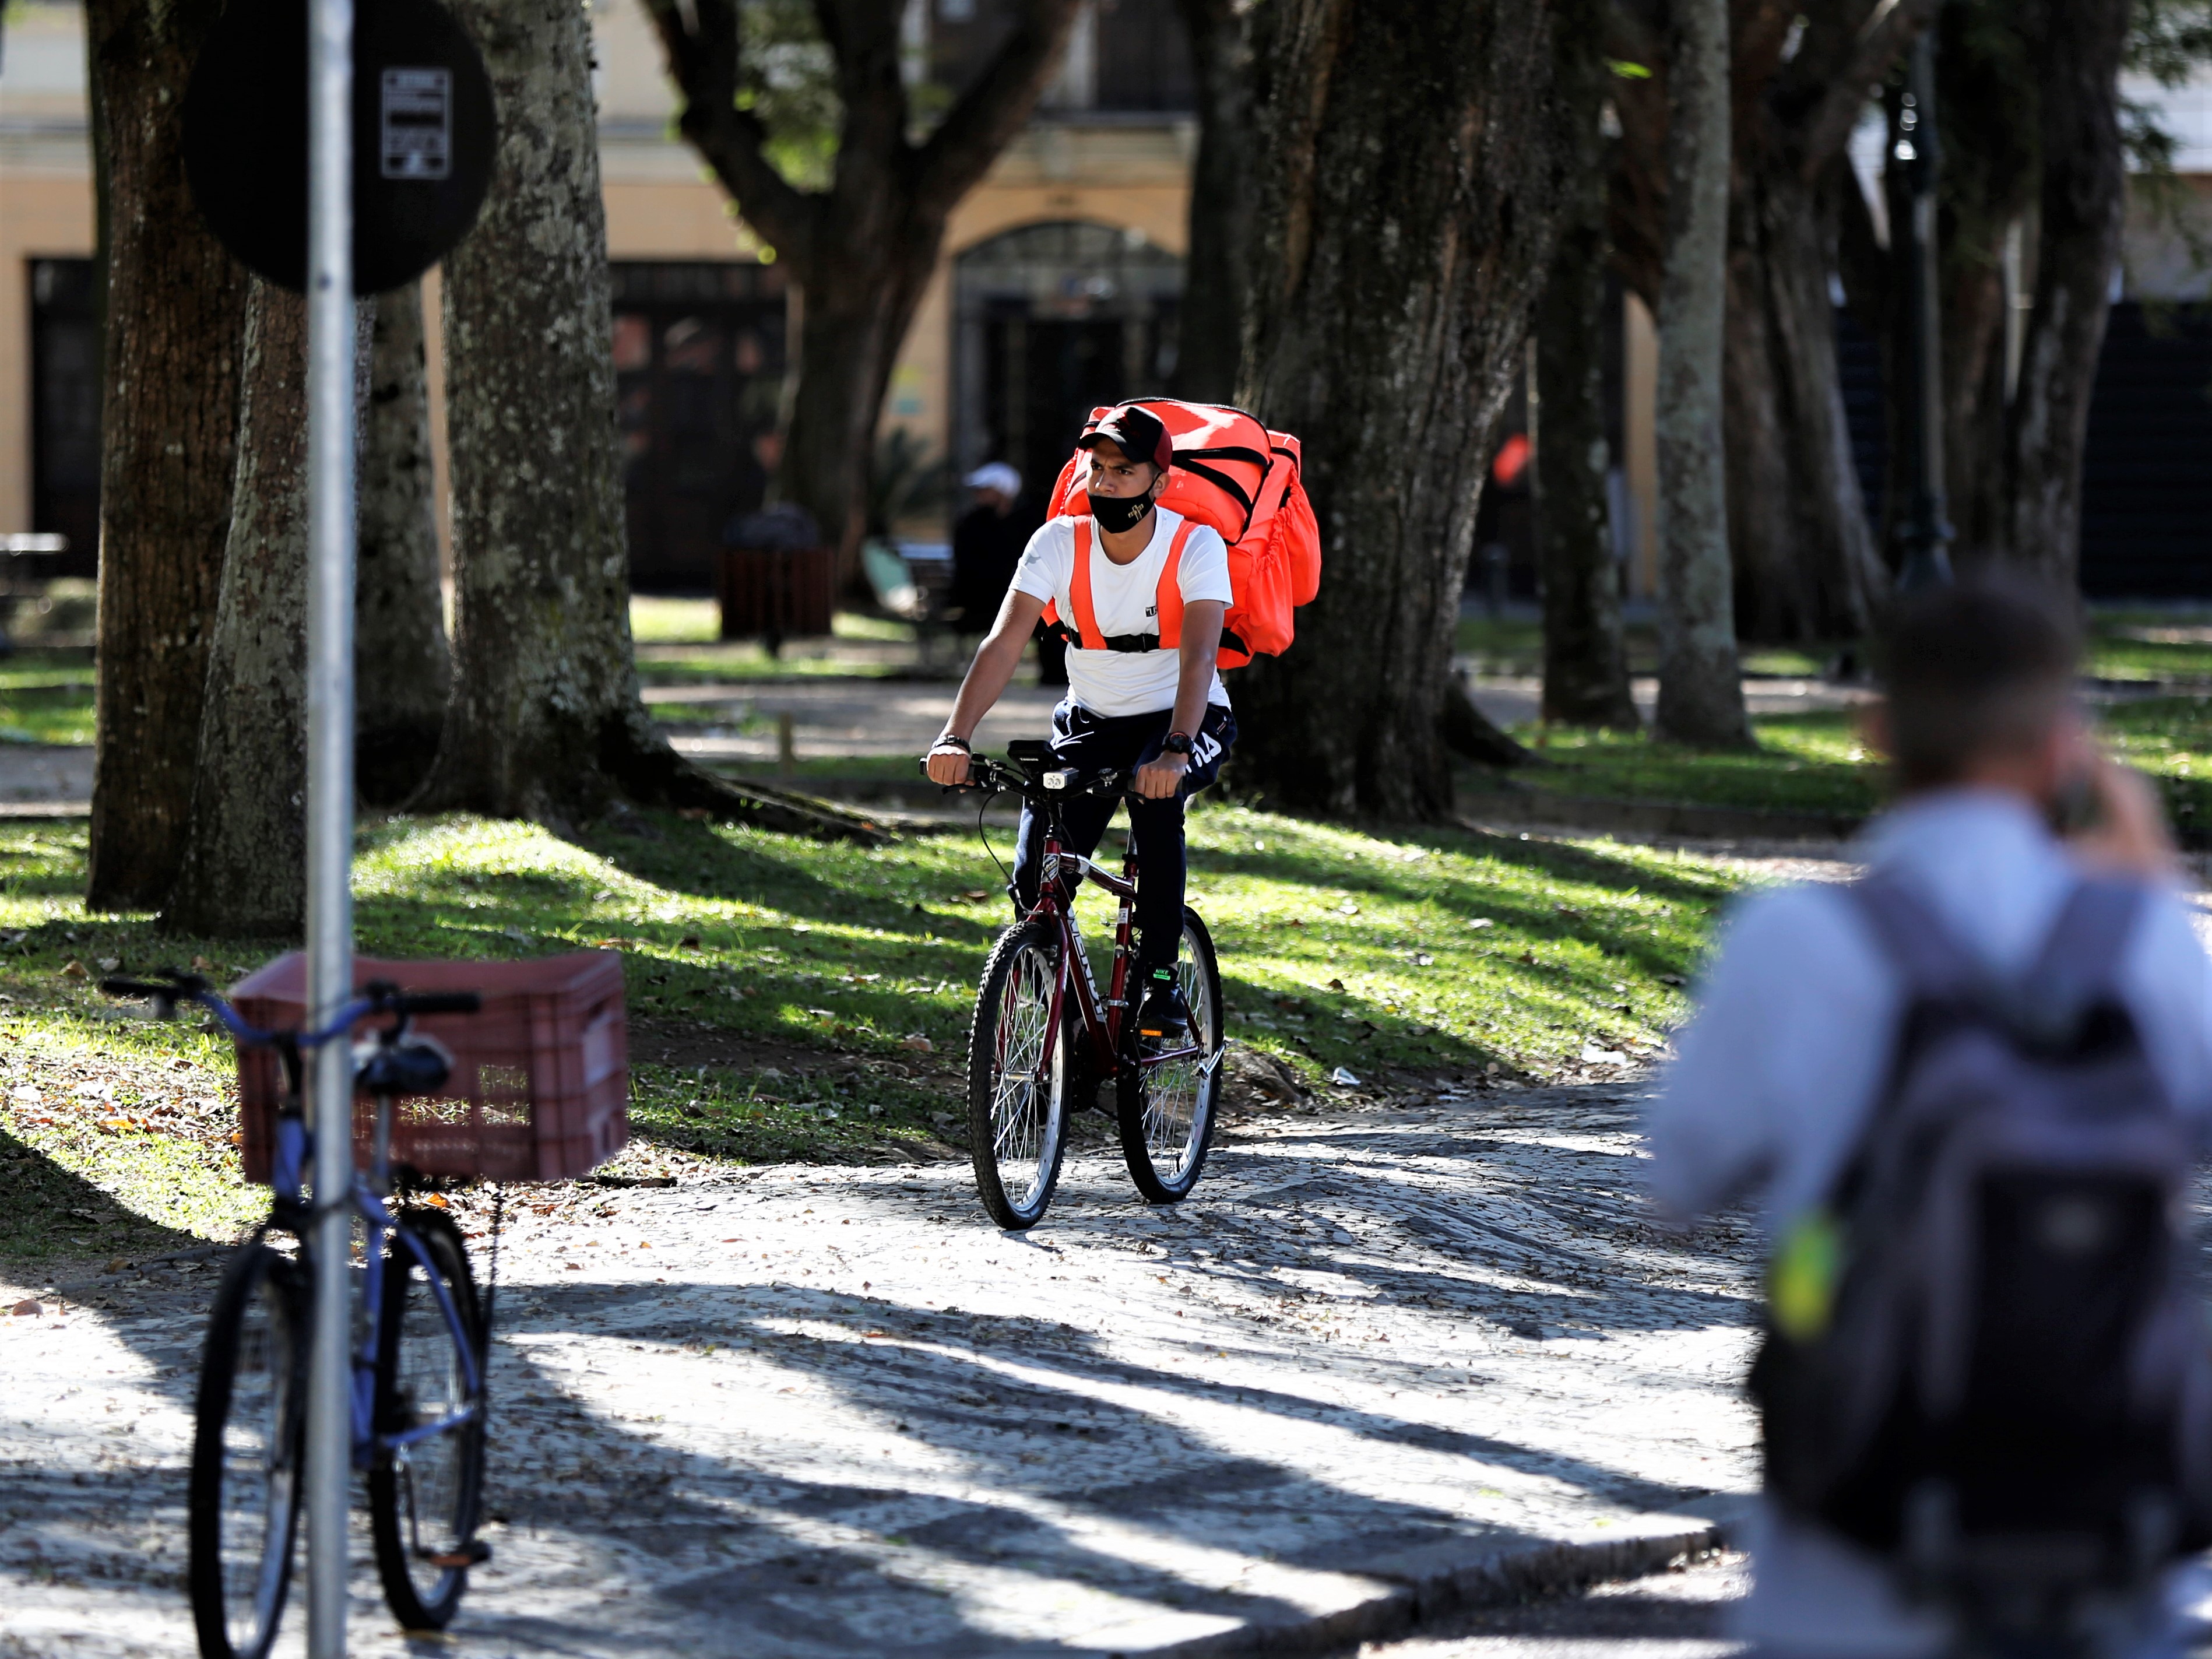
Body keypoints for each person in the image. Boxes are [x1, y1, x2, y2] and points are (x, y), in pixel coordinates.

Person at [1647, 577, 2212, 1656]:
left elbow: (1679, 1178)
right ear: (2064, 746)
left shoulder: (1793, 940)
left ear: (1877, 732)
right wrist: (2151, 880)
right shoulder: (2143, 942)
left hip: (1854, 1557)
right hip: (2110, 1545)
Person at [923, 405, 1236, 1043]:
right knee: (1039, 871)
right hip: (1092, 720)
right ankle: (1053, 1034)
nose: (1108, 481)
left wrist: (1175, 750)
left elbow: (1200, 655)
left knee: (1156, 805)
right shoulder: (1056, 542)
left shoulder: (1193, 543)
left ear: (1159, 481)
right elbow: (1005, 642)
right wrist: (954, 734)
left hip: (1184, 715)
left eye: (1125, 470)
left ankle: (1161, 980)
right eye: (1098, 468)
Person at [948, 463, 1028, 640]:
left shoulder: (1025, 522)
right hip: (980, 601)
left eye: (985, 489)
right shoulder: (970, 525)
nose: (979, 494)